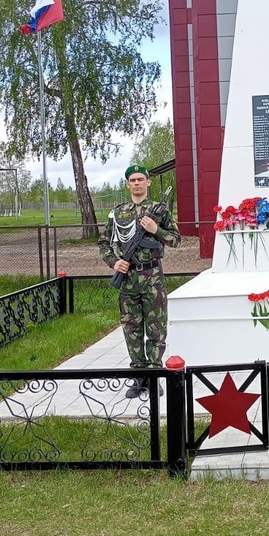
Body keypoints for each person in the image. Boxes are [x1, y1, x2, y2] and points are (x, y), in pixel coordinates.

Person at [99, 164, 181, 398]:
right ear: (127, 184)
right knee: (132, 328)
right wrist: (115, 262)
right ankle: (139, 376)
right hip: (128, 280)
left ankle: (154, 376)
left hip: (152, 277)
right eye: (132, 180)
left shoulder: (159, 210)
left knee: (156, 328)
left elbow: (176, 240)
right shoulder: (118, 212)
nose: (136, 183)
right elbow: (104, 243)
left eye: (140, 179)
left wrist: (156, 230)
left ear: (148, 182)